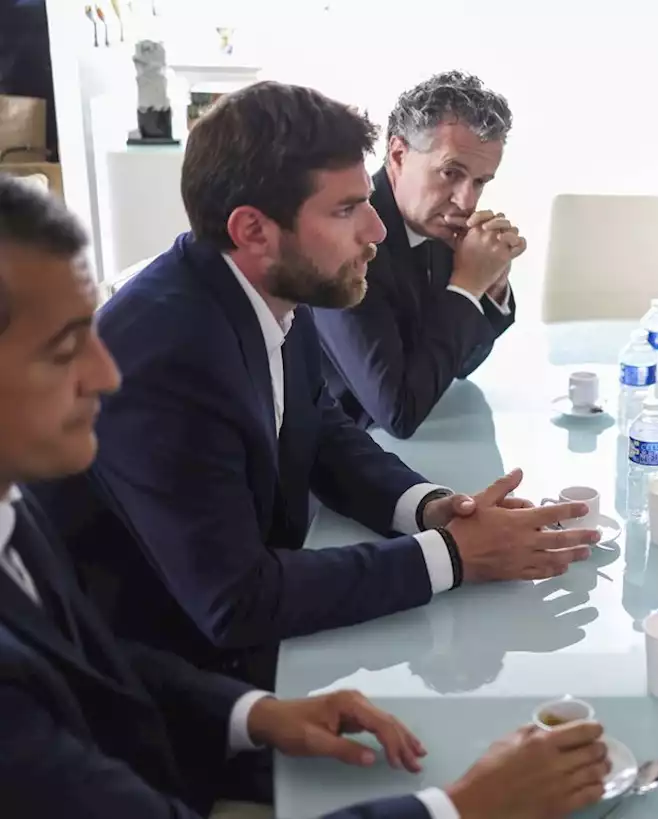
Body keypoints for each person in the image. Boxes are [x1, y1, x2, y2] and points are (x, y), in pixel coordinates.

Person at [0, 173, 609, 819]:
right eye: (66, 346)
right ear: (254, 229)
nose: (104, 371)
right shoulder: (172, 342)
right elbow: (233, 600)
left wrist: (251, 713)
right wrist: (459, 810)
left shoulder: (12, 512)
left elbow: (92, 662)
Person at [29, 82, 598, 692]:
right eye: (347, 209)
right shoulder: (165, 357)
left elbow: (322, 429)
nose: (377, 230)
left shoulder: (270, 286)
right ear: (253, 230)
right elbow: (237, 600)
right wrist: (455, 555)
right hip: (151, 690)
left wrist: (436, 509)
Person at [313, 72, 524, 438]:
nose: (467, 201)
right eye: (450, 172)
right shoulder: (346, 242)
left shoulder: (437, 224)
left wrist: (488, 287)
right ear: (398, 154)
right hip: (330, 463)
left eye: (480, 181)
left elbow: (459, 367)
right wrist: (466, 285)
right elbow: (398, 412)